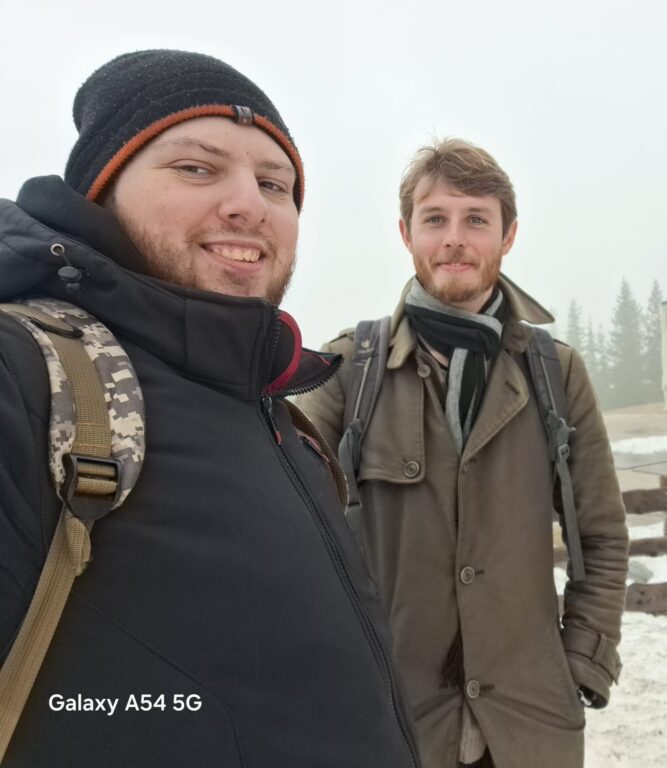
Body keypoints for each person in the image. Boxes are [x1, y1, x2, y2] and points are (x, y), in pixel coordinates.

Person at [0, 50, 420, 767]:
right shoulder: (27, 373)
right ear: (99, 191)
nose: (250, 204)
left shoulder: (280, 417)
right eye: (196, 168)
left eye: (275, 182)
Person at [298, 138, 628, 768]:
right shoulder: (346, 370)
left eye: (476, 219)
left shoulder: (554, 373)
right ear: (406, 232)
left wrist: (584, 660)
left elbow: (603, 535)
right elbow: (287, 526)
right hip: (393, 724)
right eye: (435, 219)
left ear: (507, 236)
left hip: (530, 727)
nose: (455, 238)